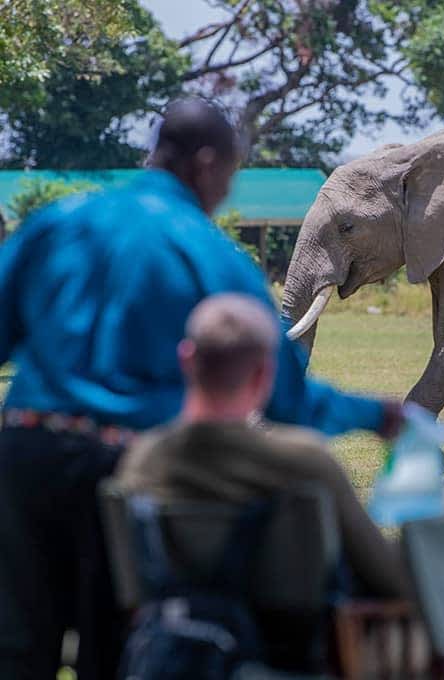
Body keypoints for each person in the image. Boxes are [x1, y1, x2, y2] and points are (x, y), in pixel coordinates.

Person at [0, 97, 402, 680]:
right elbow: (283, 395)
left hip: (20, 456)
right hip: (123, 469)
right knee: (112, 652)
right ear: (209, 164)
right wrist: (373, 414)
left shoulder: (57, 224)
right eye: (231, 175)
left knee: (16, 652)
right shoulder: (211, 256)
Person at [116, 292, 409, 596]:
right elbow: (388, 577)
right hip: (288, 641)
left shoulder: (142, 460)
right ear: (264, 374)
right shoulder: (306, 461)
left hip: (164, 634)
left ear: (186, 360)